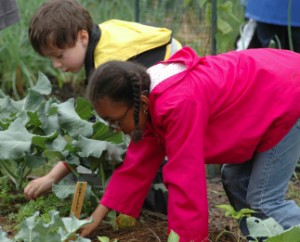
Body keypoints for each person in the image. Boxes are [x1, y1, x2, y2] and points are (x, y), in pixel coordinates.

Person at [80, 46, 300, 241]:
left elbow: (185, 179)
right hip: (270, 90)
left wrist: (186, 239)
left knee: (263, 199)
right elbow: (136, 165)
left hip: (288, 93)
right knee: (235, 179)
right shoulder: (145, 97)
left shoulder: (176, 104)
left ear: (142, 104)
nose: (116, 129)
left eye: (116, 121)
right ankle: (266, 237)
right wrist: (97, 215)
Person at [24, 0, 181, 214]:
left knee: (147, 144)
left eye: (59, 55)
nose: (56, 65)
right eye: (51, 58)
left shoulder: (107, 64)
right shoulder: (101, 35)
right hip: (171, 70)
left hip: (174, 86)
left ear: (82, 37)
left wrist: (53, 176)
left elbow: (96, 133)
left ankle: (164, 211)